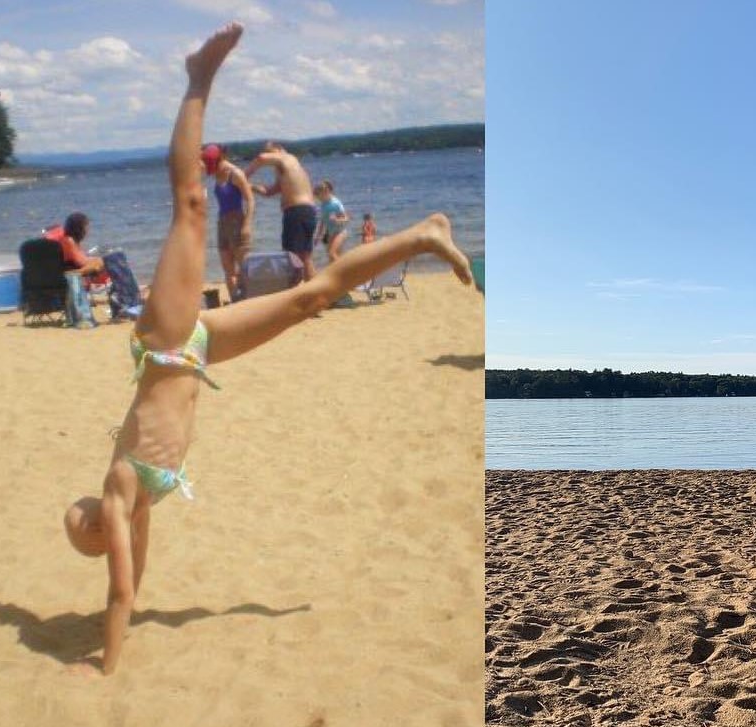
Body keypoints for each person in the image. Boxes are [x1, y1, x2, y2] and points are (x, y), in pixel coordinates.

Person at [62, 22, 473, 676]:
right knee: (312, 299)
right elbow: (132, 583)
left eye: (96, 536)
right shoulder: (136, 508)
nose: (105, 539)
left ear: (94, 524)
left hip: (168, 344)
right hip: (195, 350)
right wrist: (126, 618)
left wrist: (106, 666)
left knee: (191, 205)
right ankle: (423, 234)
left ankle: (197, 77)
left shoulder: (117, 491)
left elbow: (116, 591)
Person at [244, 140, 318, 280]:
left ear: (279, 150)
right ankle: (314, 293)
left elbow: (261, 158)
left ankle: (300, 293)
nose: (269, 157)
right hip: (305, 212)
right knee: (304, 257)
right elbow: (270, 191)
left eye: (270, 152)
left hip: (297, 212)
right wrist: (251, 186)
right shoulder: (288, 169)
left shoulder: (287, 158)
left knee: (292, 256)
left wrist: (243, 175)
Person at [201, 143, 254, 299]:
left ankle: (247, 299)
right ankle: (234, 300)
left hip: (237, 220)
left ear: (221, 158)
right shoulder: (217, 173)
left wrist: (247, 225)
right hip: (222, 222)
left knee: (244, 266)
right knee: (227, 267)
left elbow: (250, 200)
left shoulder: (235, 173)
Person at [42, 212, 108, 288]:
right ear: (79, 229)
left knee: (99, 262)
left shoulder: (64, 239)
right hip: (67, 276)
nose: (88, 231)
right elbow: (82, 262)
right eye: (86, 227)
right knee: (105, 262)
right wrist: (99, 261)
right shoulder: (68, 241)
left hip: (57, 274)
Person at [317, 179, 350, 262]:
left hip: (340, 232)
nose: (319, 197)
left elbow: (346, 218)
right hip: (331, 233)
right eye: (318, 194)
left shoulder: (336, 203)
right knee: (332, 257)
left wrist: (337, 219)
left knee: (332, 253)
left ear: (327, 192)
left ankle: (345, 271)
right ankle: (342, 273)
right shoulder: (323, 204)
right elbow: (323, 221)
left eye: (320, 194)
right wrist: (318, 235)